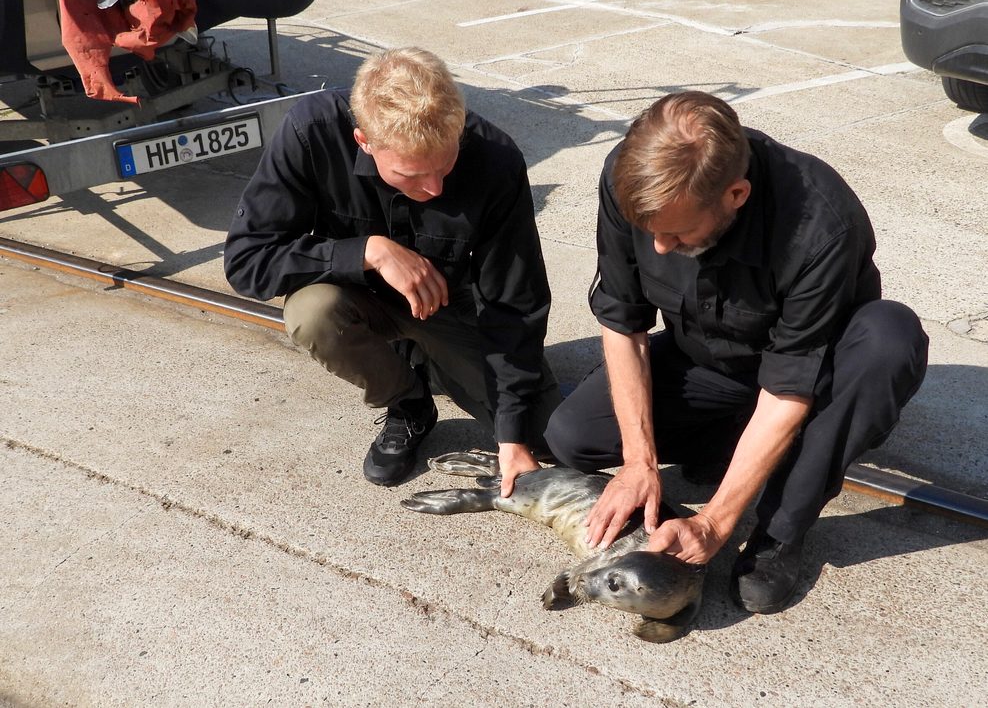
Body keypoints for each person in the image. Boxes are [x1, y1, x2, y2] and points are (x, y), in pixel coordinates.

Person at [543, 91, 929, 614]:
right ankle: (736, 446)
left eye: (677, 233)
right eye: (650, 231)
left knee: (890, 336)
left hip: (816, 381)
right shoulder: (629, 178)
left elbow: (788, 387)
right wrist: (639, 462)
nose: (658, 247)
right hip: (709, 366)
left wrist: (715, 522)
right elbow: (623, 323)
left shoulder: (820, 224)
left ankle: (779, 531)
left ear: (736, 194)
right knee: (572, 436)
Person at [225, 47, 560, 489]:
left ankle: (435, 360)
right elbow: (246, 263)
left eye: (445, 164)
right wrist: (368, 252)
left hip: (449, 307)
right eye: (411, 174)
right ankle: (409, 402)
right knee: (313, 313)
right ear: (364, 141)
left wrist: (512, 434)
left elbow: (517, 300)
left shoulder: (495, 159)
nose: (434, 186)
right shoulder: (312, 132)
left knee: (550, 437)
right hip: (356, 300)